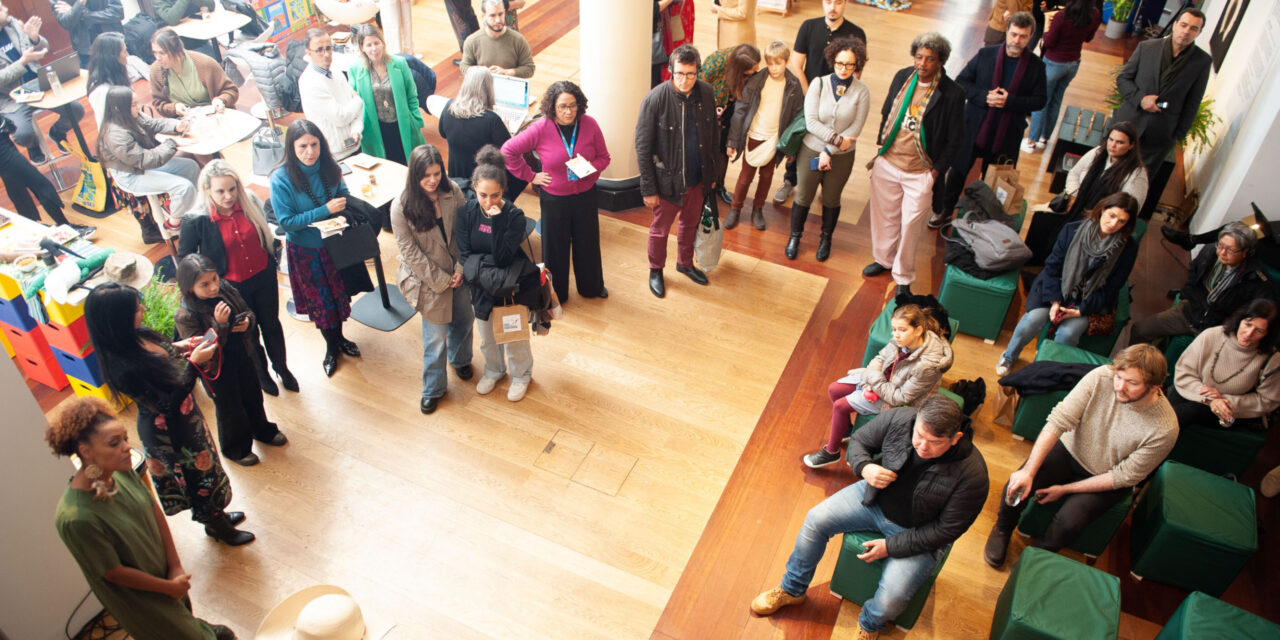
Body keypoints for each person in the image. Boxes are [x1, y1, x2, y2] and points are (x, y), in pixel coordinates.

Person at [752, 395, 988, 640]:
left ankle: (870, 625)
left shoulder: (973, 476)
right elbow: (860, 441)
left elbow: (946, 531)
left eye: (935, 441)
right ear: (916, 419)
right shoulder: (900, 418)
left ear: (956, 439)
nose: (922, 446)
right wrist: (865, 467)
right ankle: (792, 589)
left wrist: (891, 546)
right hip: (873, 500)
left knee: (892, 598)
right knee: (815, 519)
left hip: (917, 531)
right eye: (919, 434)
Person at [48, 397, 237, 640]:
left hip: (166, 578)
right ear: (86, 452)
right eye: (114, 443)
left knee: (188, 624)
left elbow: (153, 510)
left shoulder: (119, 472)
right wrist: (168, 587)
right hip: (143, 598)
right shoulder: (77, 518)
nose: (127, 447)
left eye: (125, 438)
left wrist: (174, 566)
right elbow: (114, 573)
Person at [85, 281, 256, 546]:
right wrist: (194, 364)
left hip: (187, 420)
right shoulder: (123, 367)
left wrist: (185, 345)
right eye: (135, 309)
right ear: (117, 320)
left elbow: (166, 353)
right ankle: (218, 527)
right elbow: (168, 403)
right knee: (196, 478)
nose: (142, 308)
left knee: (206, 468)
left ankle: (216, 516)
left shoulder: (139, 336)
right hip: (168, 432)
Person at [984, 344, 1178, 567]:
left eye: (1132, 383)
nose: (1120, 387)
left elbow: (1124, 476)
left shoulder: (1165, 428)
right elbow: (1059, 420)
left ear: (1155, 387)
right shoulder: (1102, 376)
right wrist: (1028, 471)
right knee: (1016, 483)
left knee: (1069, 523)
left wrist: (1065, 490)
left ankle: (1035, 557)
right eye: (1119, 377)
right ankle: (1003, 527)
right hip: (1070, 449)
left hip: (1107, 473)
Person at [180, 160, 297, 395]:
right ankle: (262, 374)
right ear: (207, 189)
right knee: (248, 333)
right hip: (231, 287)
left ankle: (282, 368)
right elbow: (186, 262)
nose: (228, 196)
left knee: (271, 325)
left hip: (263, 276)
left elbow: (266, 234)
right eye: (220, 191)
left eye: (232, 189)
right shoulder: (196, 220)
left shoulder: (250, 201)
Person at [864, 32, 964, 294]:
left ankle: (903, 276)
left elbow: (955, 140)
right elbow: (887, 111)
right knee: (884, 216)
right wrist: (880, 148)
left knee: (910, 226)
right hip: (889, 161)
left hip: (921, 171)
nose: (922, 63)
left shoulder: (952, 94)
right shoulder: (901, 76)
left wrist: (934, 173)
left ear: (940, 61)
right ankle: (883, 260)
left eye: (930, 59)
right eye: (919, 57)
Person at [271, 119, 372, 377]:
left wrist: (343, 210)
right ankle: (331, 347)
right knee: (322, 305)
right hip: (307, 253)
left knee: (338, 298)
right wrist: (324, 211)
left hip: (336, 245)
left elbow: (344, 194)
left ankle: (340, 339)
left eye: (314, 144)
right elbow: (287, 223)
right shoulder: (280, 179)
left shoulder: (330, 166)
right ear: (291, 147)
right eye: (302, 146)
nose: (310, 152)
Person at [997, 193, 1141, 376]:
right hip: (1057, 290)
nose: (1114, 224)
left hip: (1087, 301)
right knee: (1033, 320)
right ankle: (1009, 355)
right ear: (1103, 209)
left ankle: (1044, 370)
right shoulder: (1073, 230)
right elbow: (1052, 267)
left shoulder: (1127, 247)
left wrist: (1080, 311)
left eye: (1121, 221)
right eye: (1112, 216)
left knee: (1068, 334)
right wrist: (1055, 302)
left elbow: (1112, 287)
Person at [930, 12, 1045, 228]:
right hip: (974, 127)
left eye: (1022, 36)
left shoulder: (1036, 66)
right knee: (958, 172)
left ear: (1030, 36)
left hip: (1007, 133)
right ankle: (945, 210)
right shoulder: (985, 55)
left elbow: (1039, 100)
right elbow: (962, 82)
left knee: (996, 180)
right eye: (1013, 34)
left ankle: (984, 219)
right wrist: (985, 97)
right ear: (1007, 31)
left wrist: (1010, 101)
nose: (1016, 41)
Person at [805, 304, 955, 468]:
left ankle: (831, 452)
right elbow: (880, 358)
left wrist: (873, 383)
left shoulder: (927, 366)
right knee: (834, 389)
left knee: (841, 406)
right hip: (882, 381)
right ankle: (846, 429)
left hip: (901, 403)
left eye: (902, 330)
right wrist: (869, 381)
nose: (896, 335)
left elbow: (900, 398)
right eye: (894, 329)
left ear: (918, 330)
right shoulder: (904, 338)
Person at [502, 80, 611, 303]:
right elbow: (508, 151)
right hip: (555, 199)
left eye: (572, 105)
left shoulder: (589, 124)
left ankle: (592, 287)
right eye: (562, 106)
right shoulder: (541, 128)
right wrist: (531, 176)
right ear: (553, 106)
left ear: (579, 105)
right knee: (555, 247)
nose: (568, 111)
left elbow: (604, 157)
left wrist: (590, 170)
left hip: (585, 195)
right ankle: (556, 294)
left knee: (587, 242)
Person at [175, 254, 288, 466]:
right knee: (230, 408)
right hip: (218, 367)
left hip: (242, 354)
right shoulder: (186, 314)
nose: (213, 287)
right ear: (190, 287)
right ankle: (235, 449)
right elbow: (203, 350)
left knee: (253, 396)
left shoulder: (225, 289)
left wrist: (247, 322)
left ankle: (261, 430)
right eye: (204, 284)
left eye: (215, 279)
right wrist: (220, 325)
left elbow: (247, 311)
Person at [391, 144, 475, 414]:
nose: (432, 180)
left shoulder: (453, 192)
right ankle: (433, 388)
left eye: (437, 173)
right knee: (435, 338)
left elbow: (465, 231)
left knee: (464, 320)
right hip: (429, 280)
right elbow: (410, 253)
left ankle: (461, 359)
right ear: (414, 175)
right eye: (425, 175)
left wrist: (460, 269)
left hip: (459, 273)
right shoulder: (401, 207)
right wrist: (442, 279)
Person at [635, 44, 723, 298]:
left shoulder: (706, 92)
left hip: (698, 179)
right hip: (666, 184)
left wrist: (714, 177)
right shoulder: (655, 99)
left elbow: (714, 135)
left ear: (698, 72)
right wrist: (649, 189)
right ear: (670, 71)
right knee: (660, 230)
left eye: (691, 74)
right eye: (680, 74)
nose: (685, 81)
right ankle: (656, 269)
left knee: (690, 224)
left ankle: (685, 263)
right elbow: (642, 147)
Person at [457, 145, 540, 402]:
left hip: (507, 287)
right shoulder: (466, 213)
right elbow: (464, 255)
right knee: (487, 336)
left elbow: (504, 258)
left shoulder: (514, 217)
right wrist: (485, 263)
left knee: (514, 335)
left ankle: (521, 375)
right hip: (481, 286)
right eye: (483, 195)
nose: (489, 201)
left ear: (503, 190)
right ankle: (494, 370)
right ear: (473, 188)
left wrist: (496, 223)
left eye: (495, 195)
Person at [1114, 8, 1211, 213]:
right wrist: (1141, 99)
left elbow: (1193, 102)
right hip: (1128, 123)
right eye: (1183, 25)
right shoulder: (1147, 47)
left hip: (1160, 134)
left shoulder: (1202, 62)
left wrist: (1177, 135)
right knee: (1109, 171)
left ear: (1199, 33)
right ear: (1175, 24)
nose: (1186, 31)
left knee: (1136, 186)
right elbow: (1123, 79)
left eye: (1193, 28)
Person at [773, 0, 867, 205]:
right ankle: (790, 181)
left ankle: (827, 185)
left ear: (846, 4)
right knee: (801, 141)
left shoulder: (856, 33)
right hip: (808, 96)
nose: (833, 6)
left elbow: (856, 75)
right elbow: (797, 66)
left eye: (839, 2)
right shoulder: (808, 26)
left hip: (840, 103)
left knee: (831, 141)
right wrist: (811, 98)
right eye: (828, 1)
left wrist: (836, 102)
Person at [785, 36, 869, 263]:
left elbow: (855, 128)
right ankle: (795, 237)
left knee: (832, 198)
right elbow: (811, 121)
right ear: (833, 60)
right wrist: (833, 139)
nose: (844, 69)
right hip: (810, 149)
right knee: (803, 195)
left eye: (850, 65)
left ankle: (826, 239)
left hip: (842, 155)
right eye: (840, 63)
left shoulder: (862, 91)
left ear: (857, 65)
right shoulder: (818, 84)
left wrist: (829, 151)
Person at [1129, 222, 1276, 346]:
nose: (1222, 253)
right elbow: (1193, 270)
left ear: (1246, 252)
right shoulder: (1210, 251)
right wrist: (1189, 296)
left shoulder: (1257, 279)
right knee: (1140, 329)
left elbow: (1254, 313)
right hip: (1191, 312)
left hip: (1219, 327)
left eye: (1230, 250)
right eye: (1221, 245)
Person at [1024, 121, 1147, 265]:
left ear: (1131, 145)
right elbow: (1074, 173)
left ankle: (1055, 268)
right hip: (1076, 206)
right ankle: (1034, 266)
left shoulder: (1137, 174)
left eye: (1120, 142)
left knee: (1068, 235)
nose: (1112, 145)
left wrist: (1103, 217)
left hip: (1100, 221)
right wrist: (1073, 195)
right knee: (1041, 220)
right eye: (1111, 139)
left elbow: (1130, 208)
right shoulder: (1098, 152)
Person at [96, 86, 201, 231]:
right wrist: (172, 144)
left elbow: (153, 124)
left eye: (137, 103)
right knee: (184, 187)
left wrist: (177, 125)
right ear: (117, 108)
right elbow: (144, 159)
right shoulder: (115, 135)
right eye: (134, 105)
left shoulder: (131, 115)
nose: (138, 107)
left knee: (191, 166)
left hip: (142, 165)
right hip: (131, 174)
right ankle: (174, 223)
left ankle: (189, 209)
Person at [1171, 299, 1280, 438]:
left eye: (1259, 330)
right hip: (1197, 390)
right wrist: (1210, 399)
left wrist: (1223, 401)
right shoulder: (1212, 335)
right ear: (1240, 320)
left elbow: (1266, 400)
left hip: (1232, 408)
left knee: (1190, 411)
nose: (1248, 333)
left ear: (1268, 334)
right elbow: (1184, 372)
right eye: (1247, 324)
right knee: (1168, 409)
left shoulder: (1272, 359)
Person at [725, 40, 802, 231]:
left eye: (779, 63)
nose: (774, 68)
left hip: (775, 139)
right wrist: (733, 141)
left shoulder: (793, 85)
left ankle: (757, 209)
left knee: (766, 177)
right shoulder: (755, 81)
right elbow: (740, 112)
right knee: (745, 177)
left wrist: (792, 147)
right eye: (770, 64)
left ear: (787, 61)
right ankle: (735, 208)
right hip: (754, 136)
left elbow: (796, 116)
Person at [0, 3, 85, 163]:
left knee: (76, 110)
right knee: (23, 134)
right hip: (12, 98)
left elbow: (43, 48)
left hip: (37, 84)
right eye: (0, 9)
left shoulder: (13, 24)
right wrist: (22, 62)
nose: (6, 10)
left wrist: (35, 39)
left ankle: (57, 133)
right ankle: (33, 146)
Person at [1022, 0, 1099, 153]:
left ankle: (1031, 141)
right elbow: (1088, 38)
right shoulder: (1095, 14)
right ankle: (1045, 138)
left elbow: (1049, 42)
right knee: (1056, 101)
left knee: (1042, 101)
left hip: (1054, 63)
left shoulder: (1061, 16)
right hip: (1073, 63)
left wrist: (1046, 31)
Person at [438, 67, 524, 202]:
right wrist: (507, 130)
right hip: (483, 179)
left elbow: (443, 133)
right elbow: (508, 150)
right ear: (488, 88)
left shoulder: (448, 107)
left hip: (456, 176)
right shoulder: (492, 119)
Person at [0, 114, 93, 236]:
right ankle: (66, 228)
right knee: (40, 184)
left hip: (5, 147)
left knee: (17, 190)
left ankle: (35, 231)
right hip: (4, 152)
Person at [348, 24, 423, 166]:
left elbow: (412, 95)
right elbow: (353, 101)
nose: (374, 48)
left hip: (401, 124)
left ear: (383, 43)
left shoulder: (400, 63)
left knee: (408, 165)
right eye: (369, 45)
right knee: (383, 166)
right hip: (375, 128)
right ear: (362, 47)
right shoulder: (355, 69)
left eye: (376, 43)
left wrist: (416, 120)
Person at [700, 43, 761, 206]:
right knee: (707, 150)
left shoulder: (750, 61)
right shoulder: (716, 61)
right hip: (709, 109)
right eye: (751, 70)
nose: (755, 70)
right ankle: (705, 188)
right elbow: (698, 86)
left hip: (731, 106)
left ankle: (719, 185)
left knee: (724, 148)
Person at [299, 28, 364, 159]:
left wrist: (356, 131)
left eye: (328, 48)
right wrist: (359, 99)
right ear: (309, 53)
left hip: (355, 145)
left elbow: (354, 112)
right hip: (335, 156)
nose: (326, 53)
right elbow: (342, 117)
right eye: (319, 50)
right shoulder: (309, 82)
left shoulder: (335, 70)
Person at [148, 28, 237, 118]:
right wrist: (174, 107)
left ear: (177, 49)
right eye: (154, 53)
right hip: (184, 122)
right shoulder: (156, 70)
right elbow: (158, 103)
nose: (158, 58)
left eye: (162, 53)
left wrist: (221, 100)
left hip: (215, 116)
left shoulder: (205, 64)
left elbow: (231, 91)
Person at [460, 0, 534, 78]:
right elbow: (464, 67)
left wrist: (507, 72)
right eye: (492, 15)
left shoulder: (518, 40)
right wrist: (483, 72)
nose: (498, 20)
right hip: (482, 88)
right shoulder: (472, 41)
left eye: (500, 14)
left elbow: (529, 68)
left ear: (505, 13)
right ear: (483, 16)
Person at [49, 0, 122, 68]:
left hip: (113, 43)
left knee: (123, 79)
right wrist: (80, 3)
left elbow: (117, 13)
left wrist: (82, 14)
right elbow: (66, 22)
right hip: (86, 52)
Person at [86, 31, 131, 125]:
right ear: (112, 57)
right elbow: (110, 125)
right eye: (124, 52)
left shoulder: (118, 74)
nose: (127, 55)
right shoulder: (101, 91)